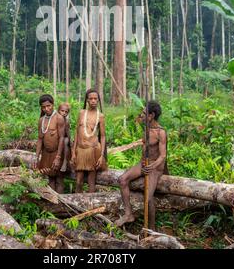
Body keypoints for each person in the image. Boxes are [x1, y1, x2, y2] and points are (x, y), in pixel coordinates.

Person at [115, 101, 167, 231]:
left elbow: (163, 156)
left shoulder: (161, 132)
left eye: (144, 113)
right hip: (143, 163)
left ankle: (152, 229)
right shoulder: (146, 128)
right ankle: (128, 214)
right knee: (122, 180)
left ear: (151, 115)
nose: (141, 115)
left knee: (148, 198)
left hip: (155, 167)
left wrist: (152, 166)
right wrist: (142, 164)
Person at [71, 89, 107, 193]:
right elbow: (77, 132)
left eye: (95, 99)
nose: (93, 101)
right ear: (87, 100)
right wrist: (73, 152)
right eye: (91, 98)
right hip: (80, 150)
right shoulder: (82, 113)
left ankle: (91, 207)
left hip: (93, 150)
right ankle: (77, 206)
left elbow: (103, 136)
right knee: (78, 181)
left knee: (91, 182)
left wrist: (101, 155)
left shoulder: (100, 116)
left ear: (98, 101)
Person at [34, 94, 65, 193]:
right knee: (50, 178)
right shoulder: (41, 120)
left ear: (53, 104)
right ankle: (53, 202)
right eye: (43, 107)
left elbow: (61, 138)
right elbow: (40, 139)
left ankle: (61, 203)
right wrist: (37, 156)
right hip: (46, 154)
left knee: (59, 179)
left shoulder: (58, 118)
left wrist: (58, 157)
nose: (46, 109)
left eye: (48, 106)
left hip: (57, 153)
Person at [58, 102, 72, 173]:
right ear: (58, 111)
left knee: (66, 140)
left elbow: (68, 133)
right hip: (56, 138)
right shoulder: (55, 119)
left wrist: (71, 142)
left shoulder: (66, 121)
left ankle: (65, 161)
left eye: (66, 112)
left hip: (64, 138)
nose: (64, 113)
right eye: (62, 111)